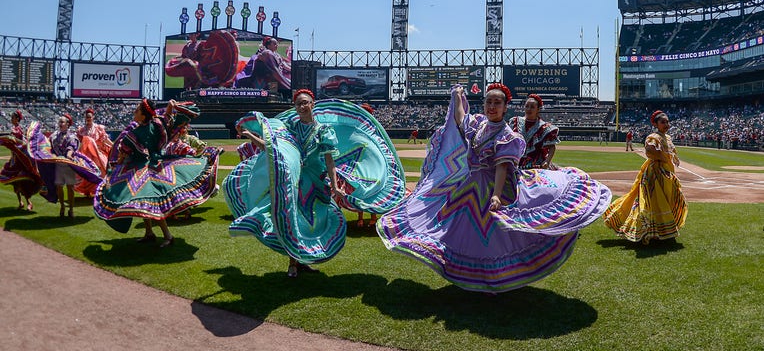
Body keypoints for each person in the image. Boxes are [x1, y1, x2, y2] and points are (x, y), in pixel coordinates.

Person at [377, 84, 611, 293]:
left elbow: (501, 167)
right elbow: (460, 119)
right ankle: (476, 280)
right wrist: (457, 96)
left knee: (494, 238)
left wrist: (497, 195)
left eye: (497, 102)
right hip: (469, 188)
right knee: (462, 234)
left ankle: (494, 280)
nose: (492, 106)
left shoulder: (507, 135)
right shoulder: (479, 125)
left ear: (506, 107)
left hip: (492, 188)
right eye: (489, 101)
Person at [224, 89, 406, 278]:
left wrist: (335, 187)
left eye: (305, 102)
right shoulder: (290, 127)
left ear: (313, 104)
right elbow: (272, 149)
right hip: (294, 179)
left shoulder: (323, 130)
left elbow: (330, 162)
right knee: (291, 218)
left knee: (313, 223)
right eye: (298, 104)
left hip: (317, 182)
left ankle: (302, 260)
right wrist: (249, 135)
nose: (302, 106)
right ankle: (292, 263)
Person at [93, 99, 222, 247]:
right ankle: (149, 232)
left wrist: (115, 167)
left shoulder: (132, 135)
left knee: (152, 203)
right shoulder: (156, 124)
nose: (134, 113)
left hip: (142, 171)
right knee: (143, 203)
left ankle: (168, 235)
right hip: (155, 165)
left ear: (143, 115)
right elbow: (166, 120)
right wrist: (169, 108)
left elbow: (123, 154)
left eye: (137, 111)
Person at [603, 110, 688, 245]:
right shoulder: (653, 137)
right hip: (655, 173)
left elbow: (671, 152)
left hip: (667, 173)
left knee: (667, 199)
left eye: (667, 122)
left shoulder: (668, 137)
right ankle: (652, 232)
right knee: (654, 202)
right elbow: (649, 152)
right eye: (663, 122)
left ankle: (662, 230)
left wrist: (673, 158)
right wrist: (662, 157)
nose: (666, 124)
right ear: (656, 124)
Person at [0, 110, 42, 211]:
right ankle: (20, 202)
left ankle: (28, 202)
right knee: (15, 183)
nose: (11, 119)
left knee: (21, 182)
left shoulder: (17, 129)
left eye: (13, 118)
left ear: (17, 119)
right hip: (14, 159)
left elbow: (19, 141)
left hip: (19, 160)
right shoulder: (16, 129)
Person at [508, 94, 560, 169]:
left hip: (537, 165)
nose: (529, 109)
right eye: (527, 106)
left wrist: (547, 161)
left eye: (532, 107)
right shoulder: (514, 122)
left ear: (538, 109)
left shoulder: (544, 127)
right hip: (515, 162)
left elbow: (552, 147)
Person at [75, 108, 113, 197]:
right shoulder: (82, 130)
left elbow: (105, 139)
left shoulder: (98, 128)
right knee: (87, 172)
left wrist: (113, 145)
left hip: (97, 153)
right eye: (87, 117)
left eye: (90, 117)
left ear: (93, 117)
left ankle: (101, 189)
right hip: (86, 155)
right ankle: (87, 191)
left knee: (102, 169)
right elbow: (78, 142)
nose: (88, 118)